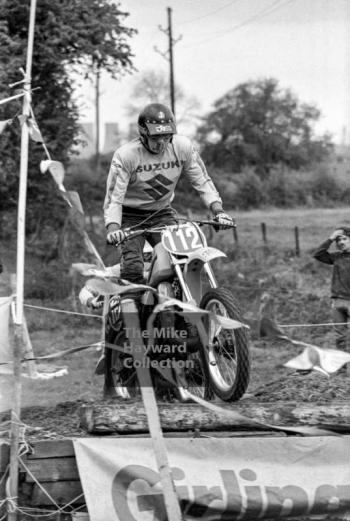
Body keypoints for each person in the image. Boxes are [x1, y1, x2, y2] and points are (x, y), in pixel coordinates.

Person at [103, 102, 234, 283]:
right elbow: (113, 200)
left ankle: (174, 305)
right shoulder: (126, 156)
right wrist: (113, 228)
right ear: (144, 134)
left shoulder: (183, 147)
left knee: (179, 261)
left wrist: (218, 211)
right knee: (133, 267)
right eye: (156, 138)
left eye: (166, 137)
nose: (162, 143)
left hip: (162, 212)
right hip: (129, 216)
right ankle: (131, 307)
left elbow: (202, 181)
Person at [313, 226, 350, 351]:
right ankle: (341, 370)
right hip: (338, 302)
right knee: (340, 338)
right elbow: (318, 254)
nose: (340, 242)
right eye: (338, 240)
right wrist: (330, 239)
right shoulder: (337, 257)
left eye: (344, 239)